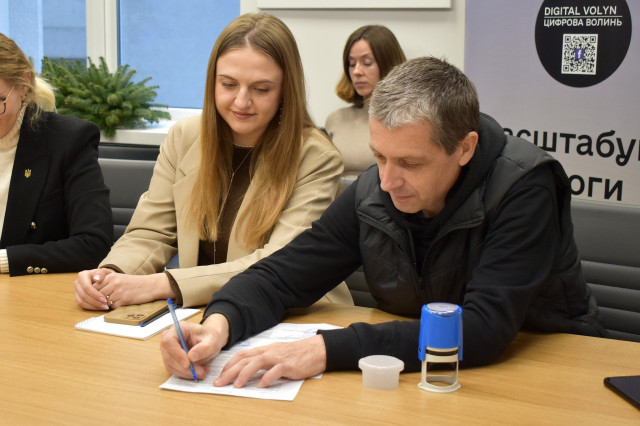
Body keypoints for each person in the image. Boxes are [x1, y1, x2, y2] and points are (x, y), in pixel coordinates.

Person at [160, 56, 607, 387]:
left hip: (547, 366)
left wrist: (325, 348)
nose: (388, 181)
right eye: (379, 156)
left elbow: (483, 328)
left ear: (465, 148)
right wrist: (219, 323)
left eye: (410, 162)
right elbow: (282, 275)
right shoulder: (375, 187)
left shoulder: (525, 186)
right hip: (422, 371)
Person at [73, 13, 352, 311]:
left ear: (286, 90)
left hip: (293, 314)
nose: (241, 102)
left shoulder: (316, 157)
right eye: (228, 84)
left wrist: (163, 284)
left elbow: (280, 263)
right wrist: (111, 274)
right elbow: (151, 232)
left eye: (261, 89)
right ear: (212, 82)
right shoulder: (184, 137)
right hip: (205, 311)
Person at [0, 33, 112, 277]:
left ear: (24, 85)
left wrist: (4, 260)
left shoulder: (68, 140)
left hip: (31, 292)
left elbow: (93, 244)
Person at [324, 25, 406, 182]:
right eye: (352, 64)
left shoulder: (405, 119)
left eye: (367, 63)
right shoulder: (336, 119)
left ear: (389, 64)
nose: (357, 71)